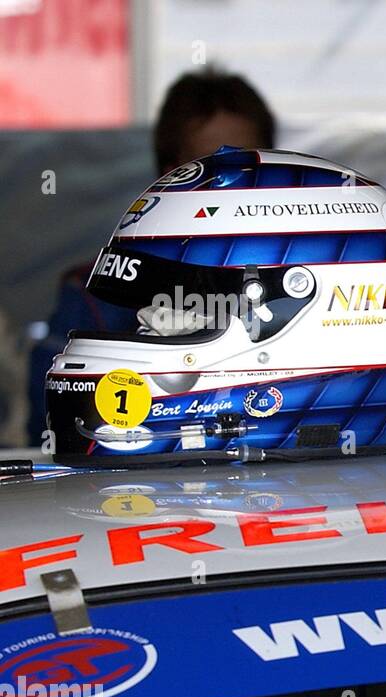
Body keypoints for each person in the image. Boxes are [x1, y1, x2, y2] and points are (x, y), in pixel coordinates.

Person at [25, 68, 276, 446]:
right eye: (208, 171)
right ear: (168, 175)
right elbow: (50, 426)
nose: (230, 189)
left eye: (246, 170)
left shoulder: (304, 277)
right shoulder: (98, 290)